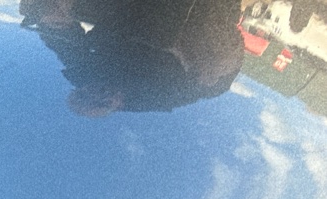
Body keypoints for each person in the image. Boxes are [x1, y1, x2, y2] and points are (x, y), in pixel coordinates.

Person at [22, 0, 245, 115]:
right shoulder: (151, 98)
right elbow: (208, 86)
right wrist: (216, 69)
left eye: (83, 95)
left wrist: (47, 17)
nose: (97, 93)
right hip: (193, 14)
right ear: (114, 108)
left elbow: (57, 32)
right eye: (102, 103)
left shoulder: (84, 70)